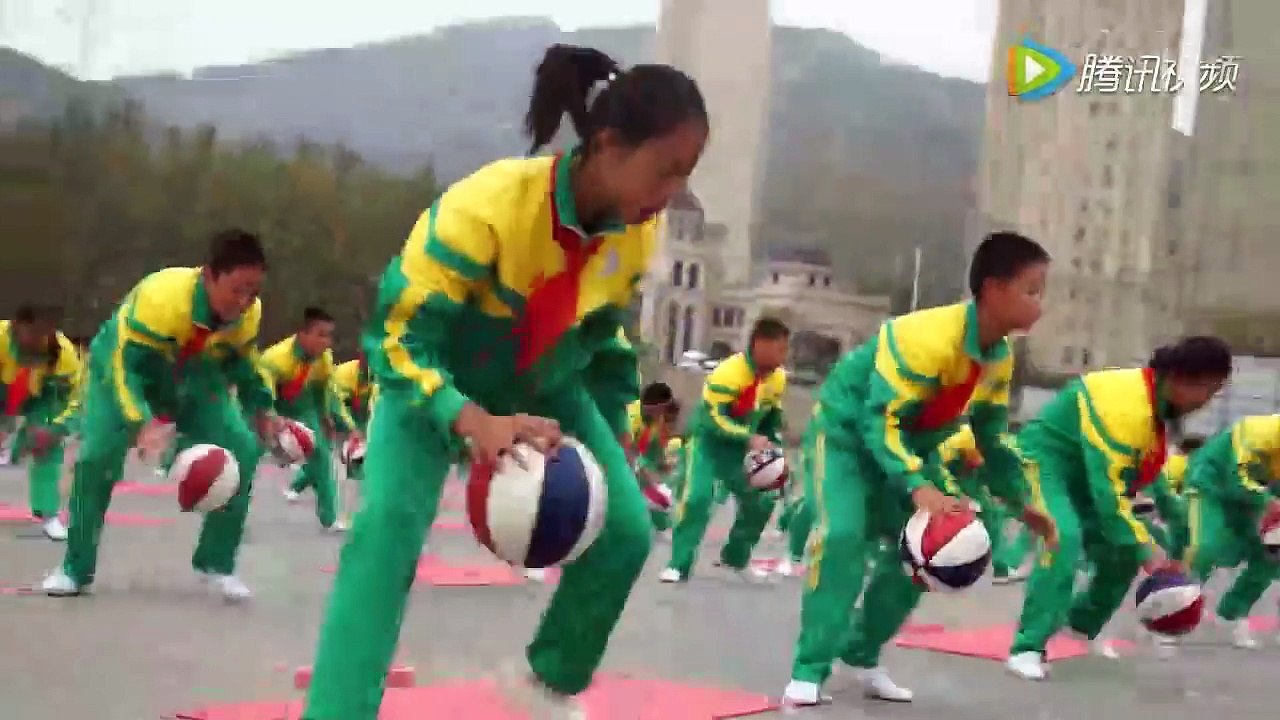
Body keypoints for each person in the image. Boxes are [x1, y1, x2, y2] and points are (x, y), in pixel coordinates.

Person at [300, 43, 707, 720]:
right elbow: (397, 340)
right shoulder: (486, 209)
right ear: (607, 146)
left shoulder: (634, 235)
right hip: (435, 379)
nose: (671, 196)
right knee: (385, 539)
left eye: (685, 176)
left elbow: (603, 342)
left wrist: (619, 442)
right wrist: (470, 419)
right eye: (666, 172)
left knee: (628, 531)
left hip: (545, 381)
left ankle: (544, 683)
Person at [783, 231, 1058, 708]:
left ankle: (862, 653)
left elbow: (992, 440)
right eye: (1032, 291)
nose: (1040, 304)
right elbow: (880, 421)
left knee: (925, 551)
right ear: (993, 290)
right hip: (847, 438)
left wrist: (1023, 503)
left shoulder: (998, 358)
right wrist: (916, 488)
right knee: (843, 537)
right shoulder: (926, 337)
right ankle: (809, 669)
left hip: (911, 447)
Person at [40, 229, 281, 601]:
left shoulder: (248, 316)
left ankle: (216, 562)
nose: (244, 301)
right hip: (123, 369)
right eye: (236, 289)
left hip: (195, 373)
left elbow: (244, 365)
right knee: (97, 458)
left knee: (244, 449)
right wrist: (142, 422)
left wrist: (264, 408)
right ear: (209, 275)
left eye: (254, 291)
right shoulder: (162, 298)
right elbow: (124, 366)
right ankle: (74, 568)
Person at [1005, 336, 1232, 680]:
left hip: (1083, 478)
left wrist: (1179, 551)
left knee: (1128, 548)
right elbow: (1109, 494)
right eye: (1207, 390)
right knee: (1063, 537)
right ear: (1182, 379)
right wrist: (1145, 549)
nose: (1206, 402)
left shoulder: (1158, 412)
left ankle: (1081, 625)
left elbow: (1153, 484)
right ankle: (1026, 648)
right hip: (1042, 462)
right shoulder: (1127, 404)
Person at [662, 318, 790, 584]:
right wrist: (747, 437)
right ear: (761, 345)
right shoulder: (727, 374)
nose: (783, 356)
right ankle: (678, 565)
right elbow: (714, 420)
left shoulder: (777, 378)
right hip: (708, 446)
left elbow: (769, 415)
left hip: (741, 452)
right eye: (779, 349)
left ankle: (736, 557)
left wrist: (773, 441)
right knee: (697, 498)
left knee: (764, 501)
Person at [1182, 416, 1280, 649]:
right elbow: (1237, 476)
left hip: (1251, 498)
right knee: (1206, 547)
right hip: (1210, 487)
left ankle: (1232, 614)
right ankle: (1173, 606)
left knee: (1269, 557)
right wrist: (1270, 503)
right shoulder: (1256, 431)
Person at [265, 306, 353, 530]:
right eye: (320, 335)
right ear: (303, 334)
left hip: (303, 405)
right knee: (244, 452)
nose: (327, 342)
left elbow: (327, 393)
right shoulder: (275, 359)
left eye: (329, 336)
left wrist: (337, 422)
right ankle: (227, 510)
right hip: (271, 404)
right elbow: (261, 395)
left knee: (322, 456)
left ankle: (330, 518)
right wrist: (273, 421)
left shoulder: (324, 358)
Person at [0, 304, 82, 541]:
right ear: (16, 326)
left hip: (42, 396)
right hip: (4, 388)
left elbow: (77, 400)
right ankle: (11, 446)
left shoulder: (63, 354)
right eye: (32, 333)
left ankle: (49, 514)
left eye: (44, 334)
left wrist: (57, 428)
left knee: (46, 444)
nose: (38, 340)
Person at [330, 353, 374, 531]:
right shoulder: (343, 373)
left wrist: (369, 433)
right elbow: (336, 405)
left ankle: (360, 515)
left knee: (363, 468)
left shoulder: (380, 377)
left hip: (363, 417)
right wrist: (351, 429)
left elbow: (376, 405)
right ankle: (343, 516)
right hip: (340, 417)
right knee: (347, 468)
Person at [632, 383, 679, 533]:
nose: (664, 415)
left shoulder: (656, 420)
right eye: (663, 409)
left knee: (660, 497)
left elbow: (656, 447)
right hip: (625, 461)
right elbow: (626, 450)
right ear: (654, 406)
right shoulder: (631, 417)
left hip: (640, 462)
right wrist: (646, 474)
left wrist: (662, 464)